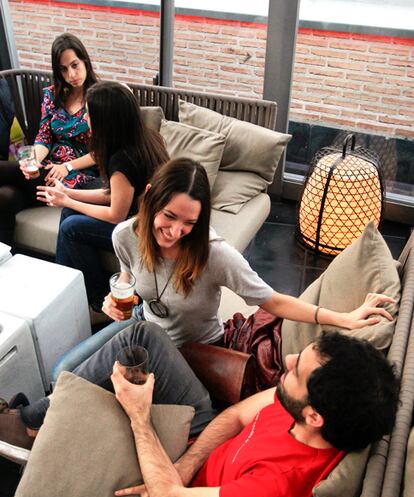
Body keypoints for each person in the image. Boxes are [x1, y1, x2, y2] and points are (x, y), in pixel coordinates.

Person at [2, 324, 399, 497]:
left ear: (315, 417)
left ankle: (32, 433)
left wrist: (140, 416)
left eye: (297, 369)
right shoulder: (302, 409)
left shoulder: (276, 495)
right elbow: (236, 417)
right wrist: (188, 462)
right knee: (144, 335)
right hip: (196, 456)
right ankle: (30, 423)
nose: (288, 359)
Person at [51, 157, 396, 380]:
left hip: (193, 351)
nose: (174, 232)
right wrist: (115, 300)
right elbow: (127, 278)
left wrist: (343, 318)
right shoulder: (125, 236)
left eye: (189, 223)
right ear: (151, 197)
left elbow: (273, 301)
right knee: (63, 371)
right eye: (169, 216)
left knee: (92, 382)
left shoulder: (214, 255)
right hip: (143, 325)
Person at [36, 81, 169, 312]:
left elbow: (115, 214)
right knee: (69, 213)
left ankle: (97, 300)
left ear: (106, 120)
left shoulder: (122, 159)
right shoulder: (146, 137)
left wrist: (67, 200)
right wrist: (68, 193)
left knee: (71, 227)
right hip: (144, 217)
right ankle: (66, 288)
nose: (85, 118)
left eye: (89, 113)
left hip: (146, 233)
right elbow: (114, 194)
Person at [0, 33, 99, 245]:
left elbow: (102, 151)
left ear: (85, 61)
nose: (71, 74)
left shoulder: (100, 96)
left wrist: (68, 167)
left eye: (75, 65)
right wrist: (33, 160)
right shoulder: (51, 95)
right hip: (47, 170)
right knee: (5, 197)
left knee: (5, 172)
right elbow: (43, 137)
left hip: (78, 176)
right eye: (63, 69)